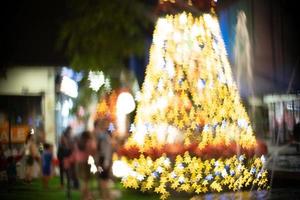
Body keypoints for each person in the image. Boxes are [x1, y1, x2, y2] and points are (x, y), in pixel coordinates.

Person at [73, 130, 97, 200]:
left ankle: (84, 196)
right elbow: (93, 151)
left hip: (78, 163)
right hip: (86, 162)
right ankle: (86, 197)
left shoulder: (78, 142)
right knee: (86, 181)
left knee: (82, 181)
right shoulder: (89, 141)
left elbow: (75, 152)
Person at [94, 118, 113, 200]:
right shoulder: (102, 135)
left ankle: (105, 196)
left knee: (103, 178)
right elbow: (105, 149)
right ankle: (105, 197)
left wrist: (106, 161)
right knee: (103, 178)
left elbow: (106, 149)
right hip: (102, 160)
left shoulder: (103, 135)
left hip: (103, 159)